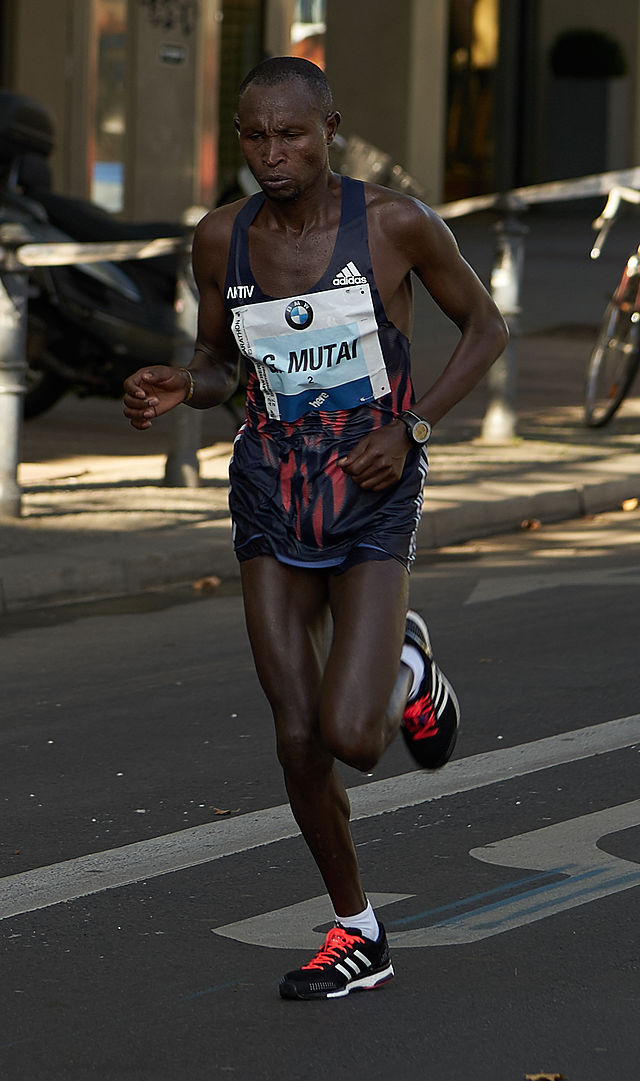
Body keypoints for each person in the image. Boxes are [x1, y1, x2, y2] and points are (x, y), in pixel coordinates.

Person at [123, 56, 508, 1000]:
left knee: (357, 736)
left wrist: (410, 427)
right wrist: (187, 384)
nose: (272, 154)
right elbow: (220, 363)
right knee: (297, 736)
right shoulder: (223, 239)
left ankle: (406, 664)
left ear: (329, 126)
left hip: (371, 480)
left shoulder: (394, 224)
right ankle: (358, 930)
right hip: (270, 485)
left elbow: (487, 328)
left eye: (291, 134)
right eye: (254, 137)